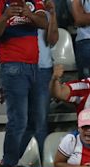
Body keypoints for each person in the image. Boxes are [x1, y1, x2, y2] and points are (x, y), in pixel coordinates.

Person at [0, 0, 48, 166]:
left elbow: (44, 23)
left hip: (35, 67)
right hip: (13, 67)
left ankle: (8, 163)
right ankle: (7, 166)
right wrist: (5, 17)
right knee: (18, 120)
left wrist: (30, 14)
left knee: (35, 121)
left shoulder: (34, 1)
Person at [18, 0, 59, 158]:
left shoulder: (45, 9)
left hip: (42, 69)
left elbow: (53, 40)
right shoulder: (12, 7)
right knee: (20, 120)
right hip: (19, 69)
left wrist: (53, 15)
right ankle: (15, 166)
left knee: (40, 122)